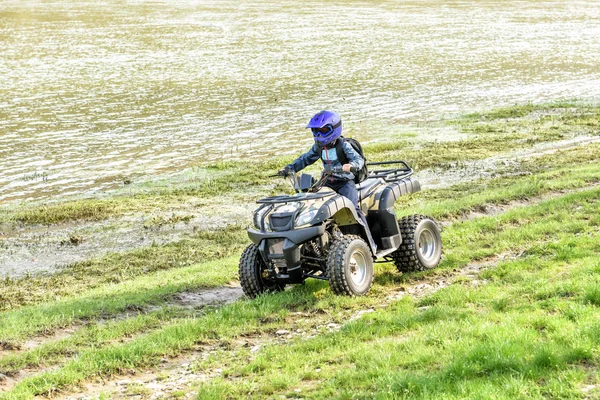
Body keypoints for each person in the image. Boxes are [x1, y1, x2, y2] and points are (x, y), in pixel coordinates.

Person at [279, 110, 375, 250]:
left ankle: (369, 242)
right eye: (316, 131)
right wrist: (290, 168)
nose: (319, 135)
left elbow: (358, 160)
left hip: (344, 183)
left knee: (353, 209)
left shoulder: (343, 145)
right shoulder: (319, 147)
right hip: (327, 182)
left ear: (334, 129)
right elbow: (306, 159)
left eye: (323, 130)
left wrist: (351, 166)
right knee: (313, 208)